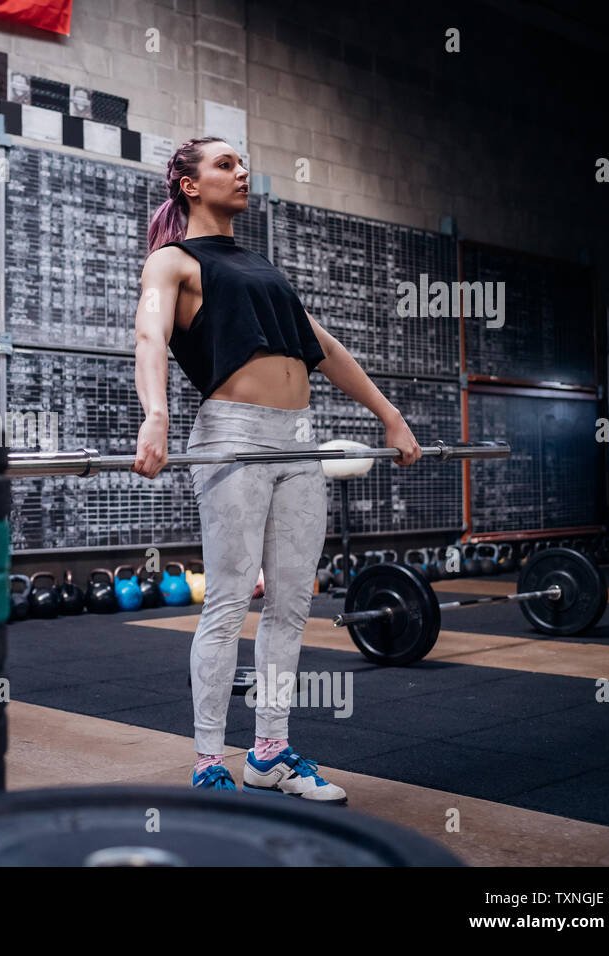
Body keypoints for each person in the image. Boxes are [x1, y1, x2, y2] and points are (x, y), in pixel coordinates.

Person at [134, 137, 422, 804]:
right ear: (188, 184)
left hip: (299, 439)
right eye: (225, 165)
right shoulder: (171, 262)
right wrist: (156, 415)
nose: (242, 173)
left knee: (292, 603)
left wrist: (390, 414)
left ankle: (269, 754)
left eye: (241, 163)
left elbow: (322, 347)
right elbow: (149, 334)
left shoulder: (261, 267)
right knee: (230, 601)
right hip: (232, 435)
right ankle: (210, 758)